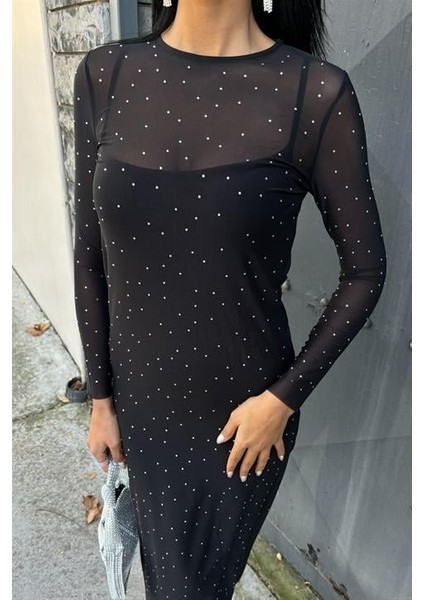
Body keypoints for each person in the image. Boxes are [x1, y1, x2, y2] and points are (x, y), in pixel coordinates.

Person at [72, 0, 387, 598]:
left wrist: (283, 399)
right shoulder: (106, 74)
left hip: (240, 422)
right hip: (140, 407)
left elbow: (366, 271)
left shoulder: (314, 93)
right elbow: (90, 254)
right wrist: (101, 399)